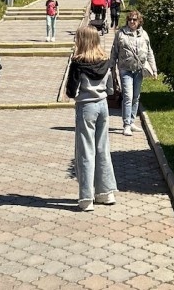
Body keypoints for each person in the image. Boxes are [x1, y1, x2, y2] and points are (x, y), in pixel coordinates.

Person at [65, 26, 118, 211]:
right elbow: (111, 89)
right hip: (103, 106)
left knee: (86, 151)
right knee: (102, 148)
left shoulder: (78, 63)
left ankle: (86, 198)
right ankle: (106, 193)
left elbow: (71, 91)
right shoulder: (106, 61)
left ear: (82, 41)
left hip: (86, 107)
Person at [110, 10, 157, 137]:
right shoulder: (121, 33)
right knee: (128, 96)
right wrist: (111, 66)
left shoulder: (144, 34)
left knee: (136, 97)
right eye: (130, 19)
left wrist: (154, 69)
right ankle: (126, 124)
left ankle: (131, 121)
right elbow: (114, 51)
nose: (132, 22)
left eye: (134, 20)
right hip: (125, 69)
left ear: (139, 21)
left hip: (139, 70)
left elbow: (149, 52)